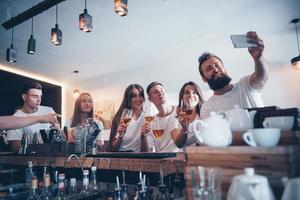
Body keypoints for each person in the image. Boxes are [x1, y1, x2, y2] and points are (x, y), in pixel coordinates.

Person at [198, 31, 269, 118]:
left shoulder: (245, 85)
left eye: (217, 65)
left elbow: (261, 77)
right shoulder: (207, 107)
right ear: (204, 78)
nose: (215, 70)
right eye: (209, 69)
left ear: (224, 68)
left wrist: (258, 58)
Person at [6, 81, 57, 152]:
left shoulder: (48, 111)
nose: (39, 100)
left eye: (40, 96)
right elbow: (15, 148)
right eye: (35, 96)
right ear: (24, 97)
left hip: (52, 156)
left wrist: (56, 128)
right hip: (29, 159)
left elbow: (59, 135)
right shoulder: (16, 118)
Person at [146, 82, 188, 152]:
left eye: (162, 90)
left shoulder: (180, 111)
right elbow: (150, 149)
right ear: (150, 99)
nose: (160, 93)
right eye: (156, 92)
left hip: (180, 157)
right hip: (160, 160)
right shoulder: (151, 122)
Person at [109, 84, 149, 152]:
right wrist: (121, 135)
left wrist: (143, 136)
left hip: (139, 158)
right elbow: (112, 149)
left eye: (140, 95)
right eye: (134, 96)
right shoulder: (120, 117)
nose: (138, 99)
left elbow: (146, 151)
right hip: (121, 157)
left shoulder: (147, 118)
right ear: (128, 99)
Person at [177, 81, 205, 146]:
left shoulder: (204, 116)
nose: (191, 95)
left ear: (199, 96)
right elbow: (178, 145)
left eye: (195, 92)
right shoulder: (176, 119)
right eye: (187, 92)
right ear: (182, 97)